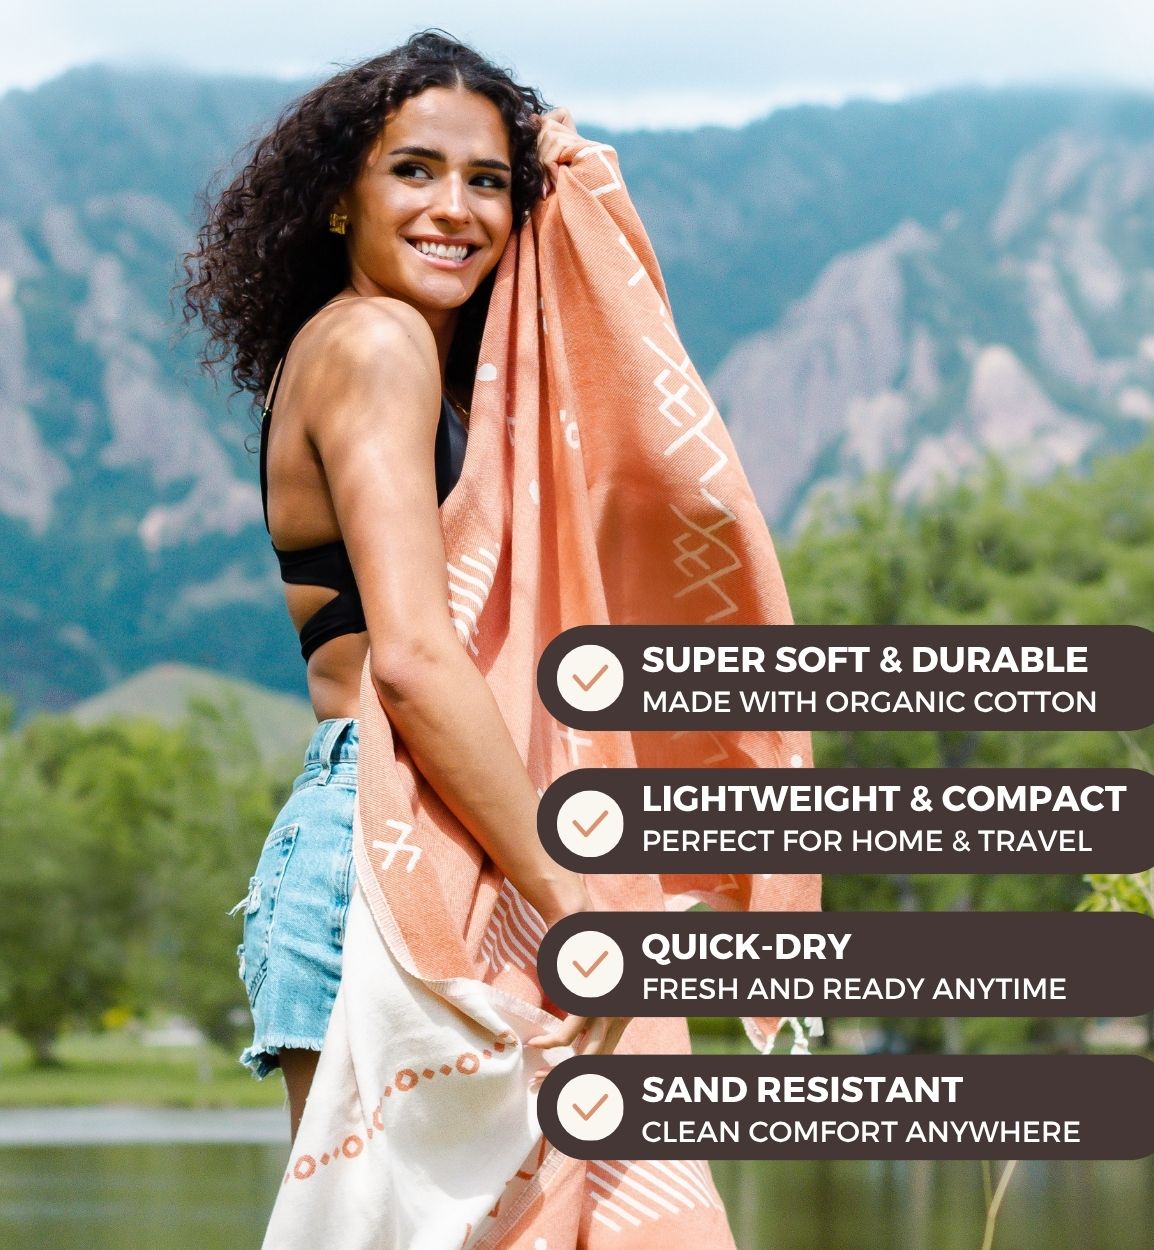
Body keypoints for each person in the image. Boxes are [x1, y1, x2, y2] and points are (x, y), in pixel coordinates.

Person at [181, 29, 629, 1141]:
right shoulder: (376, 343)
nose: (455, 208)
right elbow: (416, 660)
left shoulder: (388, 357)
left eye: (489, 182)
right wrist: (566, 898)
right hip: (382, 844)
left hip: (426, 833)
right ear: (340, 198)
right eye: (414, 169)